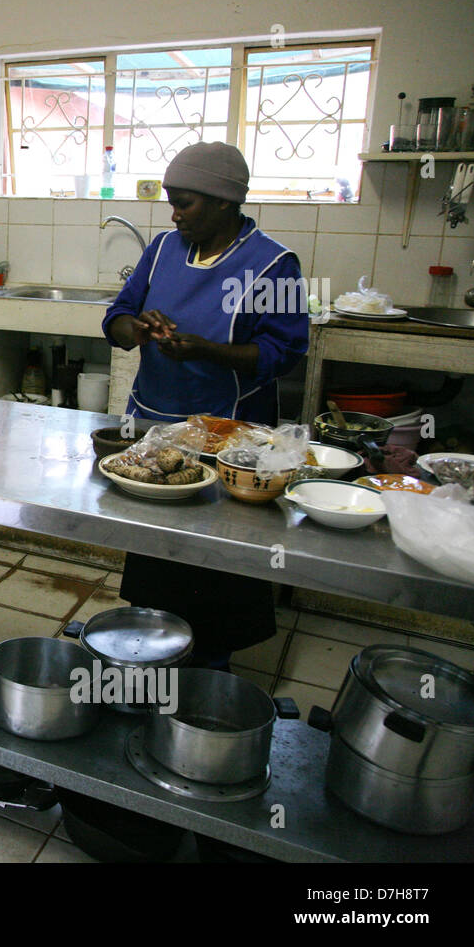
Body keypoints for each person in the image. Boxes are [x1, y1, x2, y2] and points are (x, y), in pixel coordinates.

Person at [101, 141, 309, 666]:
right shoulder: (164, 248)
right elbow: (118, 317)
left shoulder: (272, 264)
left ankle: (211, 668)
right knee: (158, 560)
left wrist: (205, 350)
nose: (174, 213)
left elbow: (283, 354)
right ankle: (152, 647)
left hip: (229, 440)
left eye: (185, 202)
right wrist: (139, 328)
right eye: (172, 200)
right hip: (155, 425)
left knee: (217, 562)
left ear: (224, 202)